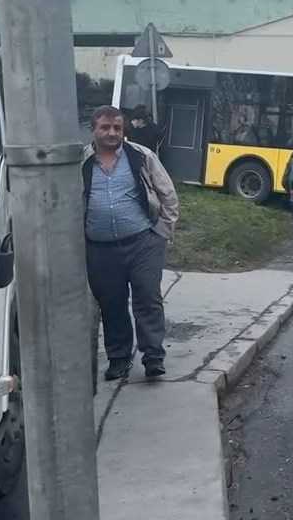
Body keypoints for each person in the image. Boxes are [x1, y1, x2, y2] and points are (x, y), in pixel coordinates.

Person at [82, 106, 179, 380]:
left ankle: (153, 357)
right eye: (105, 127)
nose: (112, 133)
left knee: (148, 300)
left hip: (143, 244)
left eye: (117, 127)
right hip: (100, 249)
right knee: (111, 305)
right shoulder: (81, 161)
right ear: (93, 129)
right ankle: (119, 359)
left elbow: (168, 195)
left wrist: (161, 233)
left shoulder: (141, 156)